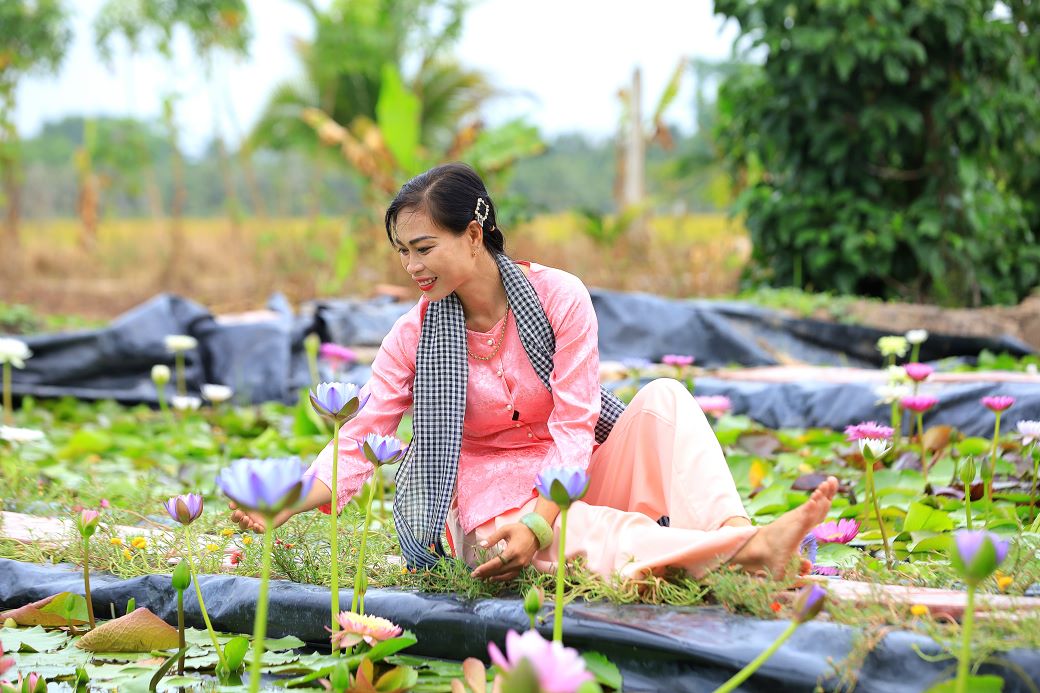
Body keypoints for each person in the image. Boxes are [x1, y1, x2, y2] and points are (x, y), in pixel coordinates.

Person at [230, 162, 838, 583]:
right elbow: (363, 435)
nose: (411, 266)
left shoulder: (558, 298)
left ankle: (738, 535)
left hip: (571, 474)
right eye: (402, 251)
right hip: (487, 503)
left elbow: (577, 424)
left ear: (473, 236)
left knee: (667, 400)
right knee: (590, 535)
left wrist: (543, 518)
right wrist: (287, 502)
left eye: (423, 247)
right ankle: (747, 554)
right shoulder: (412, 334)